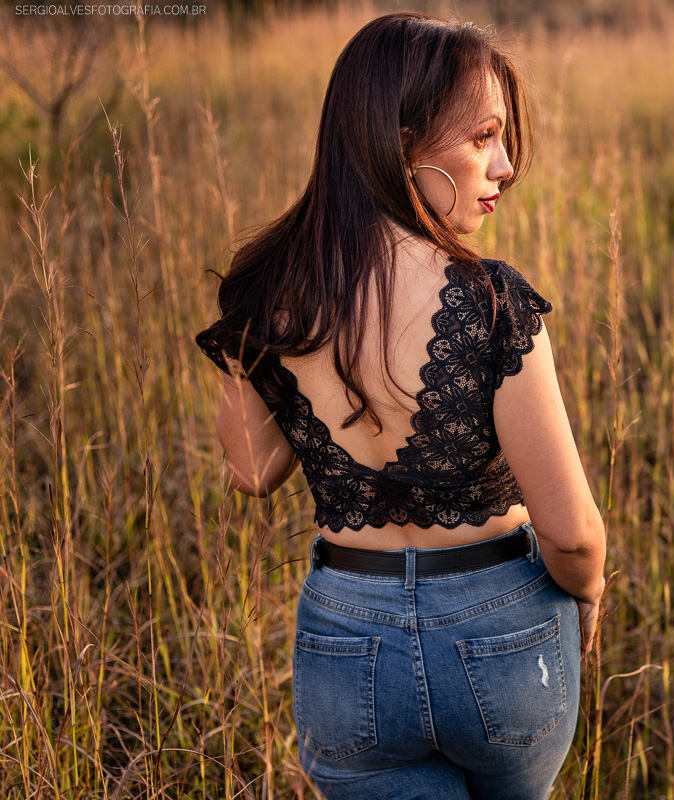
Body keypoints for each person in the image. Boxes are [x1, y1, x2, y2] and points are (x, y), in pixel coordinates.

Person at [194, 12, 606, 799]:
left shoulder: (282, 297)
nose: (507, 165)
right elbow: (572, 532)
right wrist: (588, 595)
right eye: (484, 137)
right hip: (503, 638)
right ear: (403, 143)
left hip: (347, 643)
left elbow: (252, 469)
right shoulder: (491, 303)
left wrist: (257, 324)